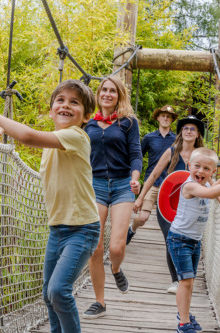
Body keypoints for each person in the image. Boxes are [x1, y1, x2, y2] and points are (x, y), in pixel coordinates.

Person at [0, 80, 100, 333]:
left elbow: (29, 136)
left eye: (74, 102)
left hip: (82, 229)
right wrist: (2, 127)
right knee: (47, 294)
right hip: (58, 229)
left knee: (58, 291)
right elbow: (34, 137)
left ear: (86, 116)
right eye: (60, 100)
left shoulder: (77, 136)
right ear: (51, 109)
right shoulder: (54, 141)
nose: (65, 105)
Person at [82, 76, 143, 319]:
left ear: (119, 96)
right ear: (98, 95)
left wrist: (135, 177)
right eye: (104, 90)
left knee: (116, 246)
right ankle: (100, 301)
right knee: (95, 248)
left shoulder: (128, 122)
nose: (108, 94)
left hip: (122, 185)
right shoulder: (86, 123)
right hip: (94, 185)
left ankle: (116, 268)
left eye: (113, 91)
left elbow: (136, 153)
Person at [168, 148, 220, 333]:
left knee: (190, 281)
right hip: (179, 239)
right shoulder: (189, 185)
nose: (201, 171)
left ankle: (183, 314)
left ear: (212, 172)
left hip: (194, 241)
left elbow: (213, 189)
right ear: (189, 166)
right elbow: (211, 194)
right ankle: (183, 324)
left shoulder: (202, 185)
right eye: (197, 166)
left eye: (206, 169)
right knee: (185, 281)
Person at [133, 115, 205, 294]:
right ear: (181, 131)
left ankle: (187, 277)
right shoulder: (171, 151)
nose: (188, 131)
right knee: (170, 239)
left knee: (191, 240)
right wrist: (141, 197)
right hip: (168, 203)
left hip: (192, 206)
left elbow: (209, 177)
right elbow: (154, 175)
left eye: (192, 129)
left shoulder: (201, 154)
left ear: (197, 134)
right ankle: (176, 280)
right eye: (185, 128)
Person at [126, 104, 178, 245]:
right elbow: (137, 157)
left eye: (168, 116)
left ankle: (172, 246)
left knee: (172, 220)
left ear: (172, 120)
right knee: (142, 217)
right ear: (158, 118)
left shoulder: (177, 140)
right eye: (163, 116)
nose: (166, 118)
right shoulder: (149, 138)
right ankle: (132, 229)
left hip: (170, 185)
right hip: (152, 183)